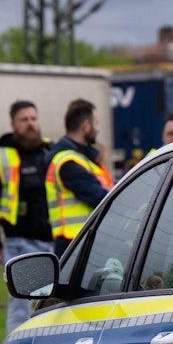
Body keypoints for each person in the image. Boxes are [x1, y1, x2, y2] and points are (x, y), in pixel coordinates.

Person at [0, 100, 54, 334]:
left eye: (33, 118)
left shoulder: (51, 152)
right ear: (13, 124)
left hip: (53, 242)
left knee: (52, 304)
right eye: (24, 120)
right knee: (21, 304)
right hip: (19, 242)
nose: (30, 124)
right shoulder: (2, 158)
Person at [45, 99, 113, 257]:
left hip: (83, 241)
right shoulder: (68, 163)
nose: (98, 128)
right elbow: (101, 198)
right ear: (86, 126)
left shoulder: (81, 158)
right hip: (73, 245)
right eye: (96, 123)